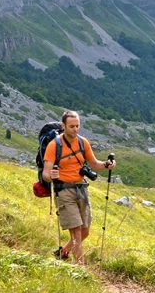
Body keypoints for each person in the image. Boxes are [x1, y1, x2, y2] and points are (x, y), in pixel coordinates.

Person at [41, 110, 115, 264]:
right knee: (76, 232)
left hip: (81, 189)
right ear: (63, 126)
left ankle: (63, 252)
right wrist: (51, 176)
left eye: (77, 126)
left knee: (84, 231)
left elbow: (94, 164)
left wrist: (107, 164)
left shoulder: (83, 142)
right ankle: (80, 268)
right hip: (63, 191)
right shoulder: (54, 146)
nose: (75, 129)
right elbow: (45, 174)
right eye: (71, 126)